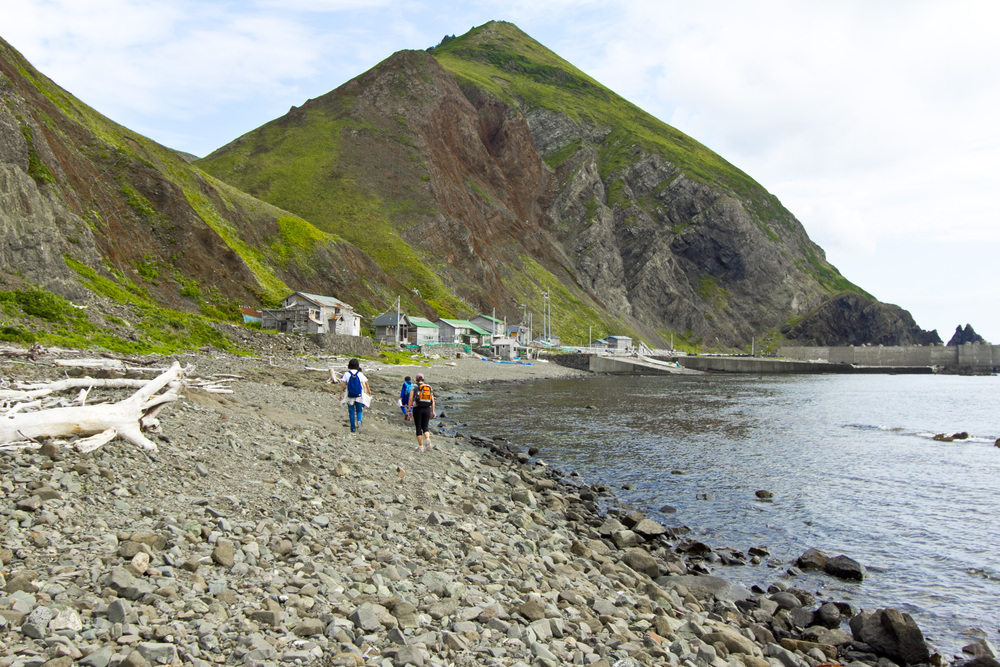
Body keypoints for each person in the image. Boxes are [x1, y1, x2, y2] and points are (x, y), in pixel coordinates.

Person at [336, 358, 370, 433]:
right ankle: (359, 421)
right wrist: (365, 394)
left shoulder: (346, 374)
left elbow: (343, 386)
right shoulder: (360, 374)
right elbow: (364, 386)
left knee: (351, 411)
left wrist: (341, 395)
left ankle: (353, 428)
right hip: (359, 395)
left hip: (349, 395)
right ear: (357, 365)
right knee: (359, 410)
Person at [407, 372, 435, 452]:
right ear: (423, 379)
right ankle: (428, 438)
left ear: (416, 379)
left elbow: (410, 399)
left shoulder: (414, 386)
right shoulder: (428, 387)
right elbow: (433, 401)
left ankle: (421, 446)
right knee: (425, 426)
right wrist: (433, 411)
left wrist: (409, 410)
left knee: (418, 427)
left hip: (417, 408)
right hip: (427, 408)